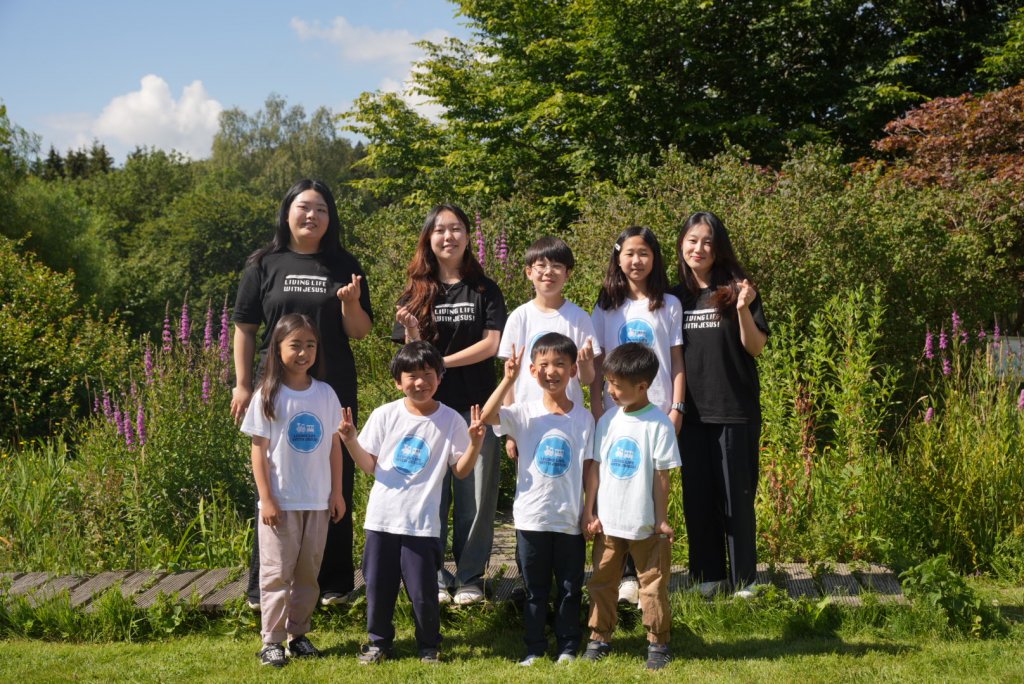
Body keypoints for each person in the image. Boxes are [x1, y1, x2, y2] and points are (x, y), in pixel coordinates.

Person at [232, 179, 373, 609]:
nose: (312, 215)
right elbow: (245, 328)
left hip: (332, 387)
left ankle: (334, 583)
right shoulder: (264, 264)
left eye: (321, 209)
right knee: (274, 475)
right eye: (304, 207)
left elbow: (360, 331)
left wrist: (350, 303)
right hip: (276, 387)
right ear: (287, 212)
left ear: (331, 218)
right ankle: (265, 584)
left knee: (334, 477)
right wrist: (242, 383)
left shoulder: (344, 263)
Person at [339, 341, 487, 665]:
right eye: (412, 376)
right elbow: (369, 465)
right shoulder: (385, 415)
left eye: (428, 374)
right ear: (398, 382)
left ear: (440, 377)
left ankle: (429, 646)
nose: (420, 382)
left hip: (422, 523)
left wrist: (475, 444)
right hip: (382, 519)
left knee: (423, 591)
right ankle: (379, 643)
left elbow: (461, 471)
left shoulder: (450, 420)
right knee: (378, 587)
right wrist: (350, 440)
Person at [392, 203, 507, 605]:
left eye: (456, 228)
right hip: (430, 412)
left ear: (468, 236)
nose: (448, 236)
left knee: (476, 497)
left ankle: (471, 576)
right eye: (440, 230)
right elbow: (411, 357)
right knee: (431, 496)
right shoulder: (415, 292)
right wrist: (412, 332)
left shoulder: (485, 289)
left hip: (478, 409)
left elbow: (492, 344)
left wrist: (441, 362)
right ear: (429, 238)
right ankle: (436, 576)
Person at [479, 334, 595, 666]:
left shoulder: (584, 418)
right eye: (544, 364)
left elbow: (590, 468)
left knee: (571, 587)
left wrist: (589, 511)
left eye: (560, 364)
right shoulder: (523, 413)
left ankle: (568, 646)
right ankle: (534, 648)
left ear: (573, 370)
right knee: (534, 588)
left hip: (569, 519)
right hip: (531, 519)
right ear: (532, 371)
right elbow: (486, 416)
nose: (551, 371)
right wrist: (507, 380)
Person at [240, 314, 346, 667]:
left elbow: (334, 446)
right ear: (278, 348)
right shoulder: (268, 394)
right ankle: (271, 641)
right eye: (295, 345)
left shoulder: (325, 394)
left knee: (308, 574)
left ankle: (298, 635)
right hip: (281, 503)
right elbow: (258, 451)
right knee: (276, 573)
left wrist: (336, 493)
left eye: (310, 345)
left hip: (317, 501)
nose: (303, 353)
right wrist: (267, 498)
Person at [672, 211, 768, 599]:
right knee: (697, 498)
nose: (699, 248)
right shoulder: (673, 297)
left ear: (719, 248)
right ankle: (707, 577)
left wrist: (743, 308)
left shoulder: (738, 290)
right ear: (682, 244)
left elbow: (755, 347)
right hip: (690, 413)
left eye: (707, 241)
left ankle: (744, 580)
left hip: (734, 409)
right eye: (692, 240)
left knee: (737, 499)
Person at [589, 225, 685, 605]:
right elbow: (598, 364)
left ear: (654, 258)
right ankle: (623, 574)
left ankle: (649, 572)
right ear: (618, 258)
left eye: (644, 253)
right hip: (615, 413)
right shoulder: (606, 307)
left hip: (658, 412)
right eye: (629, 253)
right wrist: (598, 407)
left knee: (651, 487)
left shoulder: (669, 304)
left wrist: (677, 407)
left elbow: (677, 360)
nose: (636, 260)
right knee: (619, 482)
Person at [581, 343, 680, 671]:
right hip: (608, 524)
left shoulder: (659, 425)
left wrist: (661, 520)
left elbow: (662, 476)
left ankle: (658, 642)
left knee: (652, 585)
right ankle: (599, 637)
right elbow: (595, 469)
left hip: (645, 525)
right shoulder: (607, 421)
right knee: (601, 582)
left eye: (616, 385)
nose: (609, 391)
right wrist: (590, 511)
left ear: (642, 386)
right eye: (608, 382)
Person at [496, 237, 597, 460]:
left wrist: (585, 364)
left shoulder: (579, 318)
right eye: (541, 265)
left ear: (568, 273)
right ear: (528, 272)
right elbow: (510, 377)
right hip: (527, 419)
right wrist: (510, 432)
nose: (548, 272)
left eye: (557, 266)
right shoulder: (519, 317)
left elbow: (588, 379)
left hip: (569, 419)